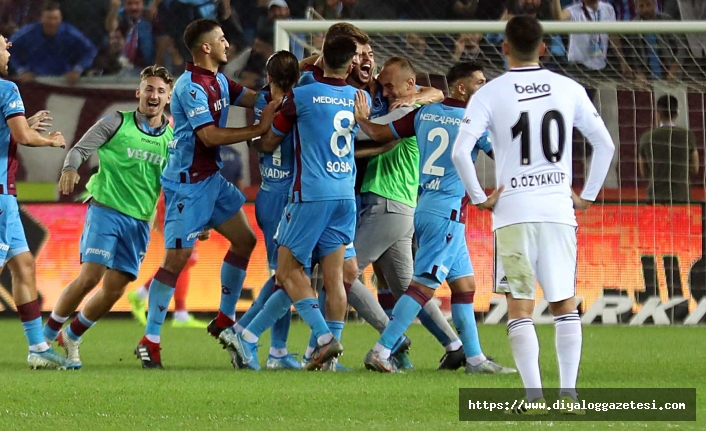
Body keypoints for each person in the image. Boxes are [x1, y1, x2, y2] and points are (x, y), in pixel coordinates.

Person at [451, 15, 615, 413]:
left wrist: (479, 196)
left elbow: (460, 151)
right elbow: (604, 144)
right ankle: (569, 394)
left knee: (519, 308)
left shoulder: (490, 93)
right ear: (543, 48)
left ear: (504, 48)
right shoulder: (569, 87)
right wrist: (587, 195)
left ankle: (534, 397)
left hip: (514, 212)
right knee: (564, 304)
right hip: (558, 211)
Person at [353, 61, 514, 375]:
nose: (485, 88)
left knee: (464, 286)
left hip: (427, 206)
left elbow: (380, 132)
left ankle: (475, 359)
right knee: (422, 287)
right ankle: (381, 350)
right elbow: (504, 156)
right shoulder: (472, 121)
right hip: (447, 215)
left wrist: (362, 118)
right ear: (461, 87)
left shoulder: (423, 113)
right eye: (479, 83)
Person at [134, 19, 278, 369]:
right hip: (187, 185)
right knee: (176, 262)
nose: (228, 44)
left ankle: (226, 317)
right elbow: (209, 137)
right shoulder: (190, 87)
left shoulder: (218, 81)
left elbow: (256, 97)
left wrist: (290, 86)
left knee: (245, 241)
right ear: (205, 48)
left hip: (211, 179)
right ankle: (150, 339)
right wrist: (258, 129)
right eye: (222, 39)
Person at [231, 35, 368, 371]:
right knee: (334, 278)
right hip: (344, 196)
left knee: (288, 271)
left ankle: (317, 338)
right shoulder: (358, 98)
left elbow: (269, 142)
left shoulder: (299, 97)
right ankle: (315, 357)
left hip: (308, 195)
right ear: (351, 65)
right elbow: (378, 133)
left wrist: (260, 133)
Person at [42, 66, 174, 368]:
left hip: (139, 220)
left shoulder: (172, 139)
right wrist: (70, 168)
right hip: (106, 209)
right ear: (138, 92)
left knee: (115, 288)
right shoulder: (116, 122)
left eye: (160, 91)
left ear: (168, 98)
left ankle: (72, 336)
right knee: (90, 276)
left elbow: (176, 182)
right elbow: (79, 150)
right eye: (149, 89)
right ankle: (44, 340)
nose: (153, 95)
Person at [227, 50, 302, 370]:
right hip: (288, 197)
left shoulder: (260, 101)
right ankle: (243, 332)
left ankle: (279, 351)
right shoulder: (300, 102)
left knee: (284, 275)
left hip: (268, 195)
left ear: (268, 78)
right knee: (285, 276)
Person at [0, 34, 71, 369]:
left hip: (7, 198)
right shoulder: (7, 89)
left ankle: (38, 348)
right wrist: (50, 141)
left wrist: (21, 128)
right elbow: (23, 139)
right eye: (3, 44)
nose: (9, 49)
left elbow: (12, 134)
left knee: (23, 265)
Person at [126, 192, 210, 329]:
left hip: (186, 200)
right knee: (182, 258)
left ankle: (179, 313)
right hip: (177, 201)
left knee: (184, 260)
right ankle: (142, 295)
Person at [9, 1, 97, 84]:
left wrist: (78, 69)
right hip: (33, 80)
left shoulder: (70, 33)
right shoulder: (28, 32)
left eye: (55, 18)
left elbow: (90, 50)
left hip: (62, 80)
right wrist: (21, 70)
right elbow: (8, 48)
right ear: (41, 18)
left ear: (61, 19)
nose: (52, 22)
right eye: (49, 18)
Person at [639, 95, 698, 203]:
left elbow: (643, 171)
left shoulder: (647, 137)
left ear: (658, 114)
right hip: (681, 195)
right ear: (676, 114)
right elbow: (695, 167)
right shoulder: (687, 136)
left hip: (656, 196)